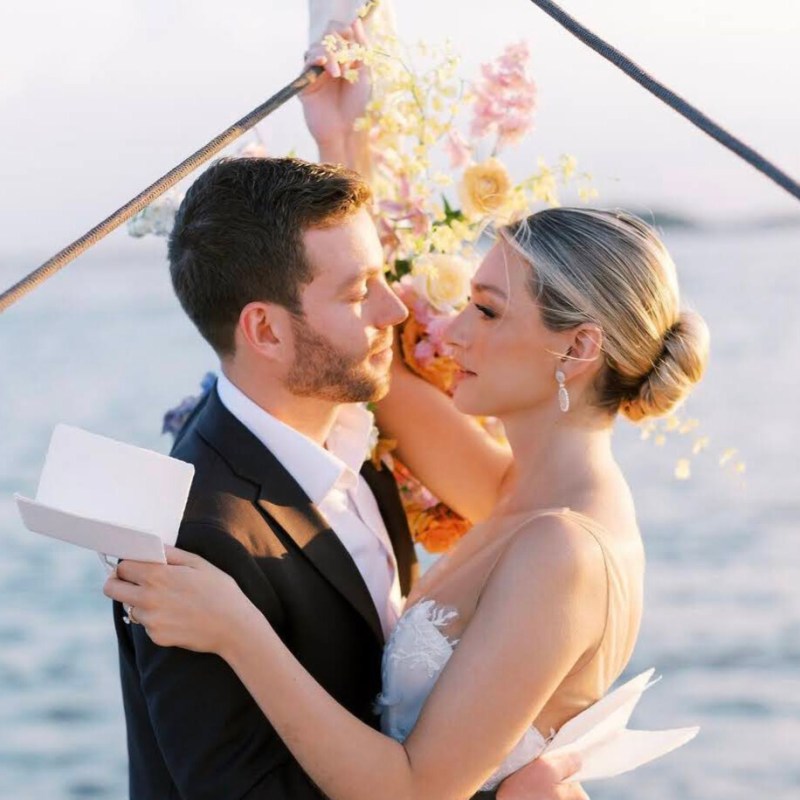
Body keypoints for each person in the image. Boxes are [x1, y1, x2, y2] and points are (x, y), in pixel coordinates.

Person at [105, 22, 709, 800]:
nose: (442, 327)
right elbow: (342, 340)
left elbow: (418, 792)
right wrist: (340, 134)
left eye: (486, 312)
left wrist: (239, 630)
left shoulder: (562, 547)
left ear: (577, 349)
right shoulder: (513, 487)